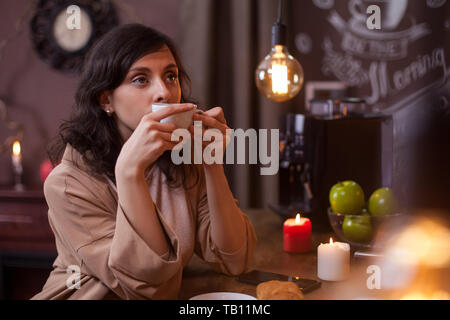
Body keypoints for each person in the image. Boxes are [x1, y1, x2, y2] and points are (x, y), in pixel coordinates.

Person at [31, 23, 257, 300]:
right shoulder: (67, 184)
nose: (164, 91)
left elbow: (235, 260)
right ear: (106, 100)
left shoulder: (181, 162)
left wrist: (211, 163)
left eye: (171, 76)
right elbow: (149, 290)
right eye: (140, 79)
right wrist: (129, 173)